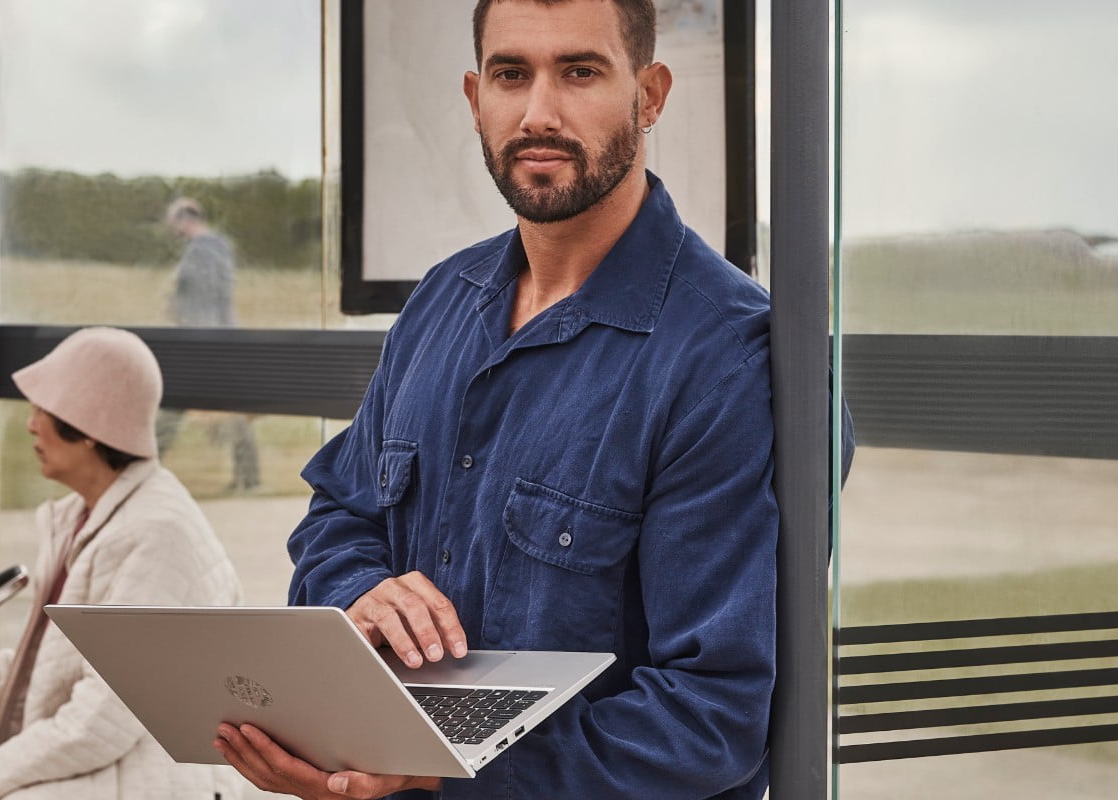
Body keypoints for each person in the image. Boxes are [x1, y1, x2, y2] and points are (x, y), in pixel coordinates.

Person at [216, 1, 781, 797]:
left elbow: (713, 721)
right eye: (512, 75)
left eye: (580, 72)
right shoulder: (442, 298)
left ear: (649, 95)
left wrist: (437, 769)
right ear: (476, 97)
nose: (538, 113)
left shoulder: (724, 358)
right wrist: (359, 594)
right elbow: (338, 516)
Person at [0, 327, 244, 799]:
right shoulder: (88, 519)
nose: (30, 424)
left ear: (90, 427)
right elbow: (44, 676)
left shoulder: (154, 534)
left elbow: (98, 724)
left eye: (46, 408)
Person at [154, 198, 260, 493]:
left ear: (183, 220)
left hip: (205, 343)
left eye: (172, 221)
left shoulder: (205, 249)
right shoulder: (212, 247)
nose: (170, 228)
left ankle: (144, 469)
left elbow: (205, 298)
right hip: (212, 341)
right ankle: (249, 479)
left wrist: (180, 314)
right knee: (231, 411)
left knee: (173, 405)